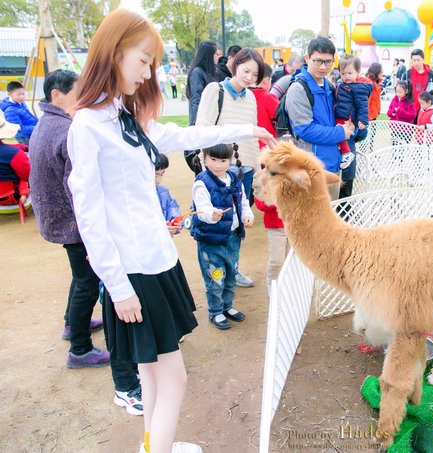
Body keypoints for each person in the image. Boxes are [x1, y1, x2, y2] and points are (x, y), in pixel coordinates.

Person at [66, 10, 275, 453]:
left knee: (151, 373)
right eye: (143, 61)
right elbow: (90, 218)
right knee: (174, 379)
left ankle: (154, 444)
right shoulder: (88, 125)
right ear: (114, 52)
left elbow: (186, 135)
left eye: (150, 64)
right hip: (134, 275)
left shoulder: (125, 116)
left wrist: (251, 128)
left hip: (157, 261)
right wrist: (117, 287)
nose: (146, 74)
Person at [28, 69, 146, 417]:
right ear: (57, 95)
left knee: (80, 278)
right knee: (87, 282)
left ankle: (72, 324)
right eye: (79, 92)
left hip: (57, 217)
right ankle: (79, 347)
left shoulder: (49, 122)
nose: (86, 97)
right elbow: (79, 189)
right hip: (73, 222)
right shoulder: (69, 130)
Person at [196, 47, 266, 288]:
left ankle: (232, 268)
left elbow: (253, 134)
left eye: (254, 75)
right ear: (235, 65)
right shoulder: (214, 91)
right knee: (216, 224)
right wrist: (206, 171)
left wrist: (257, 170)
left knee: (237, 226)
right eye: (246, 70)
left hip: (243, 170)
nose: (248, 77)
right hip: (218, 169)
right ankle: (216, 273)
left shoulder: (251, 97)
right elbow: (201, 130)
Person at [190, 144, 253, 330]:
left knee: (231, 274)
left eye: (223, 160)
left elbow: (243, 202)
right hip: (211, 239)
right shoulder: (202, 182)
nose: (218, 165)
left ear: (230, 159)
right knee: (215, 277)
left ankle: (227, 306)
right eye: (213, 159)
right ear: (205, 158)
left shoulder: (235, 179)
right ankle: (215, 311)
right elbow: (202, 209)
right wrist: (211, 215)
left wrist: (247, 216)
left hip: (232, 236)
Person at [286, 36, 354, 200]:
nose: (323, 67)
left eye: (328, 62)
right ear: (307, 58)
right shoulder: (298, 89)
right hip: (311, 168)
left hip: (333, 164)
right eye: (318, 61)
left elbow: (339, 119)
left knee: (330, 220)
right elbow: (305, 130)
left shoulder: (329, 86)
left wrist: (354, 127)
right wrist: (340, 133)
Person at [334, 55, 373, 170]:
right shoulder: (343, 85)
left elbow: (362, 105)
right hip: (342, 114)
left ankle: (346, 154)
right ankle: (345, 153)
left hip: (348, 118)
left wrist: (363, 120)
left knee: (340, 132)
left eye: (349, 73)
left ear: (358, 72)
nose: (346, 76)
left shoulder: (358, 88)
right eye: (343, 73)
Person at [185, 40, 218, 169]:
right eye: (216, 54)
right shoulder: (198, 73)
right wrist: (196, 125)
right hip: (200, 124)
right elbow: (196, 100)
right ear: (209, 55)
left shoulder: (209, 73)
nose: (218, 57)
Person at [254, 195, 289, 295]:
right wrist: (275, 200)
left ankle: (288, 285)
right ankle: (272, 285)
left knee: (291, 260)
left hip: (295, 224)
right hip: (275, 226)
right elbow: (260, 203)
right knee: (277, 260)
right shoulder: (264, 180)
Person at [0, 110, 29, 202]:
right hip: (11, 194)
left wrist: (20, 147)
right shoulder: (15, 154)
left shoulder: (12, 151)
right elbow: (26, 175)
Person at [250, 64, 280, 149]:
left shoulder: (243, 97)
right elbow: (281, 122)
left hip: (246, 149)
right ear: (266, 80)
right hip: (268, 150)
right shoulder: (269, 98)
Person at [154, 154, 180, 223]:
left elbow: (172, 206)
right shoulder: (137, 195)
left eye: (162, 174)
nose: (159, 180)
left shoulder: (163, 191)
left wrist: (174, 220)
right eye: (155, 175)